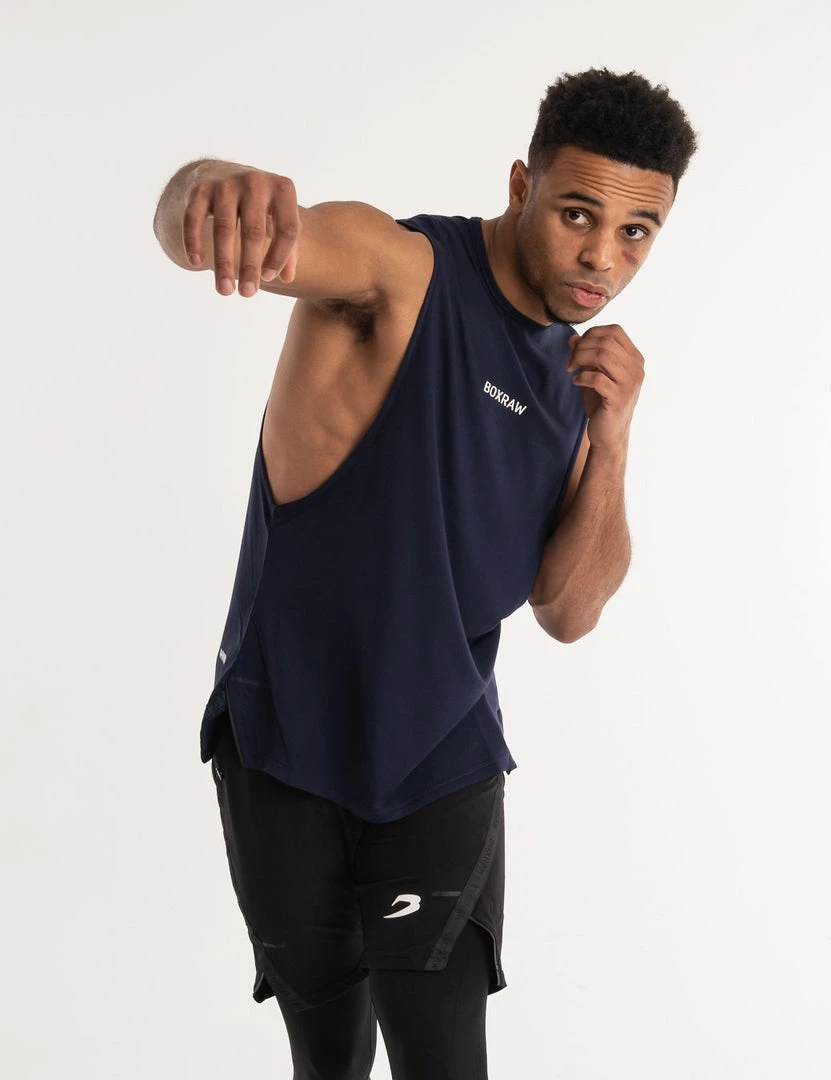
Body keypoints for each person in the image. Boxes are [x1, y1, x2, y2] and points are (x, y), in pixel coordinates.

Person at [153, 66, 697, 1080]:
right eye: (578, 213)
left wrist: (614, 438)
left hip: (439, 761)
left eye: (637, 232)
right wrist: (214, 189)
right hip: (280, 739)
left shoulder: (578, 387)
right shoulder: (398, 271)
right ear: (521, 186)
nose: (603, 257)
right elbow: (220, 227)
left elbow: (569, 611)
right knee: (327, 1060)